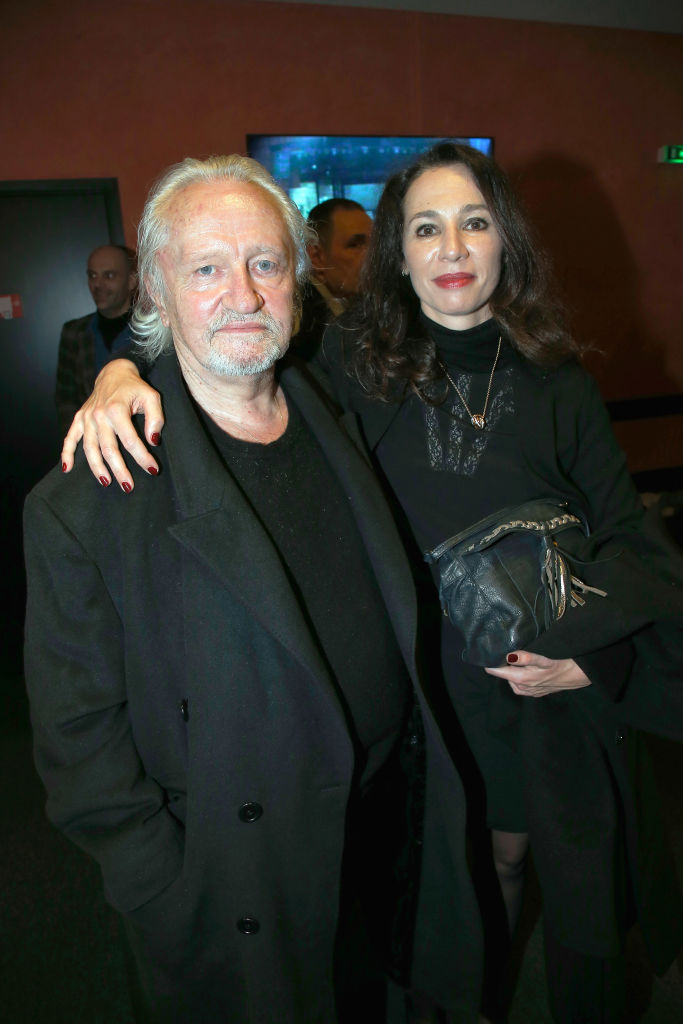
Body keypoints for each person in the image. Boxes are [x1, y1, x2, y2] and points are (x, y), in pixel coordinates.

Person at [60, 144, 683, 1023]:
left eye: (474, 222)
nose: (452, 248)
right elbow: (227, 342)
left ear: (506, 240)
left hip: (542, 683)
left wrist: (591, 661)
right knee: (462, 884)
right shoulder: (354, 360)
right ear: (395, 250)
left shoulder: (559, 384)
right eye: (425, 227)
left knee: (566, 886)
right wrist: (118, 371)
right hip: (431, 697)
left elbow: (636, 547)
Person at [25, 154, 491, 1024]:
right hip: (238, 876)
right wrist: (160, 887)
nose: (241, 291)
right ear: (156, 295)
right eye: (204, 268)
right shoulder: (82, 505)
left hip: (388, 832)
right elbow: (77, 741)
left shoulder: (341, 413)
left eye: (265, 263)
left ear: (298, 284)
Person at [55, 244, 137, 434]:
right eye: (92, 275)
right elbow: (65, 399)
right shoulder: (74, 333)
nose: (98, 285)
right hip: (94, 447)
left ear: (131, 281)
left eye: (109, 276)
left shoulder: (155, 331)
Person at [294, 198, 372, 360]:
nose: (372, 255)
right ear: (317, 257)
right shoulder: (304, 326)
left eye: (375, 244)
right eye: (355, 245)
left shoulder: (359, 304)